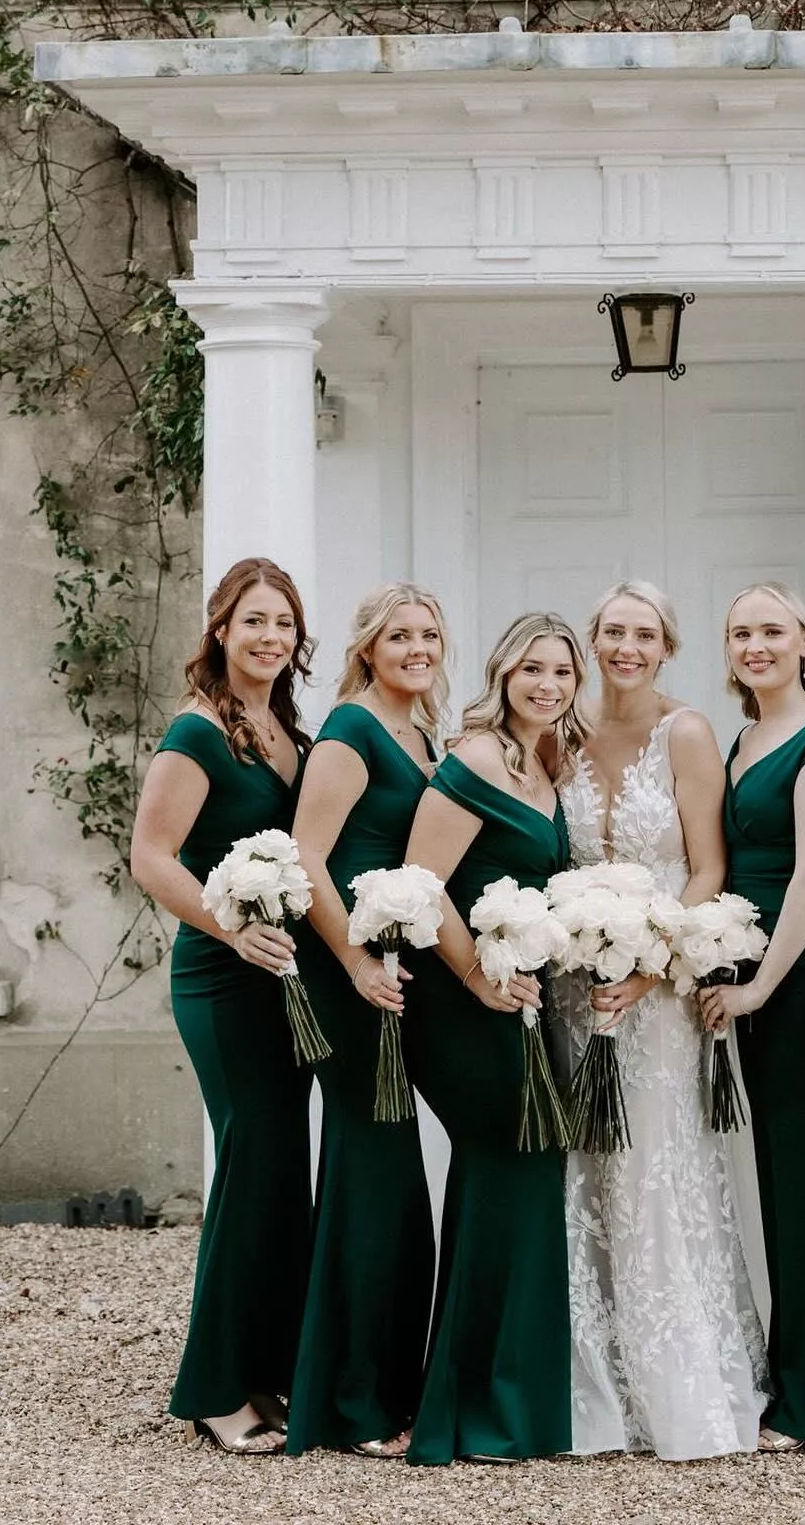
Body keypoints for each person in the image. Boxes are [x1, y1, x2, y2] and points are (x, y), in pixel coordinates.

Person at [554, 580, 768, 1460]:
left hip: (659, 994)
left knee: (653, 1170)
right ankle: (588, 1391)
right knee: (581, 1175)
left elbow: (708, 866)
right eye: (612, 631)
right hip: (573, 994)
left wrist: (648, 967)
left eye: (644, 634)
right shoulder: (562, 728)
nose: (626, 647)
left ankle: (678, 1387)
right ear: (593, 639)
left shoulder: (687, 732)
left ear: (667, 647)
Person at [129, 557, 314, 1455]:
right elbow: (153, 857)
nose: (270, 636)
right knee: (252, 1159)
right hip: (222, 973)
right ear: (221, 632)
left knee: (284, 1171)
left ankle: (265, 1367)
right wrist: (231, 926)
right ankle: (214, 1389)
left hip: (286, 976)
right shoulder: (196, 734)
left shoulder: (287, 730)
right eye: (254, 621)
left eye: (283, 622)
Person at [400, 613, 583, 1464]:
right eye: (532, 670)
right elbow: (421, 885)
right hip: (461, 1000)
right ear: (502, 674)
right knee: (508, 1162)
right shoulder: (474, 758)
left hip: (521, 998)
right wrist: (477, 975)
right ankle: (479, 1406)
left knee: (522, 1173)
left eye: (562, 672)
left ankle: (514, 1402)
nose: (548, 685)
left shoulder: (546, 764)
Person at [699, 583, 805, 1451]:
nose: (754, 645)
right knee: (781, 1168)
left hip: (797, 977)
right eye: (740, 632)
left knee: (803, 1170)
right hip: (750, 964)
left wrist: (764, 985)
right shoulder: (744, 736)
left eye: (771, 630)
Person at [286, 584, 448, 1457]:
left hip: (393, 974)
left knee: (391, 1175)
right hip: (346, 975)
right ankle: (353, 1403)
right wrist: (350, 959)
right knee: (370, 1174)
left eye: (428, 634)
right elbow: (306, 856)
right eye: (399, 635)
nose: (417, 648)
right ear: (368, 646)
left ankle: (388, 1385)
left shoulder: (422, 732)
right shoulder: (350, 732)